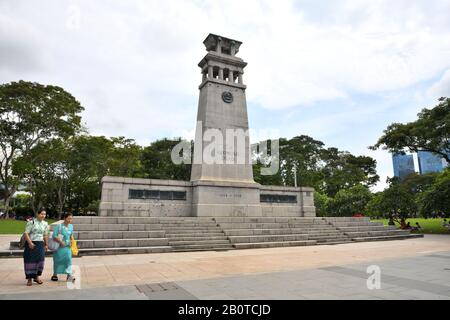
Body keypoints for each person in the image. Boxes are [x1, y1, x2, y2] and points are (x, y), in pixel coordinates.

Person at [23, 208, 49, 286]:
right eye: (42, 214)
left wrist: (46, 244)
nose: (43, 216)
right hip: (31, 244)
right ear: (37, 214)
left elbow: (45, 235)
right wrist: (30, 243)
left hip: (40, 244)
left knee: (40, 260)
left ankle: (36, 277)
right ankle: (29, 279)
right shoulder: (31, 222)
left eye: (44, 214)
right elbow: (26, 233)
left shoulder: (45, 223)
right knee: (30, 261)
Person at [51, 213, 76, 282]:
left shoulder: (71, 226)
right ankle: (55, 274)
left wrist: (72, 241)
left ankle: (69, 275)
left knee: (68, 260)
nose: (70, 220)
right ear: (64, 218)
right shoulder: (59, 226)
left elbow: (71, 235)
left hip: (67, 247)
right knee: (57, 261)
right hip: (59, 247)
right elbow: (54, 236)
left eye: (71, 218)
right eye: (68, 218)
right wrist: (61, 242)